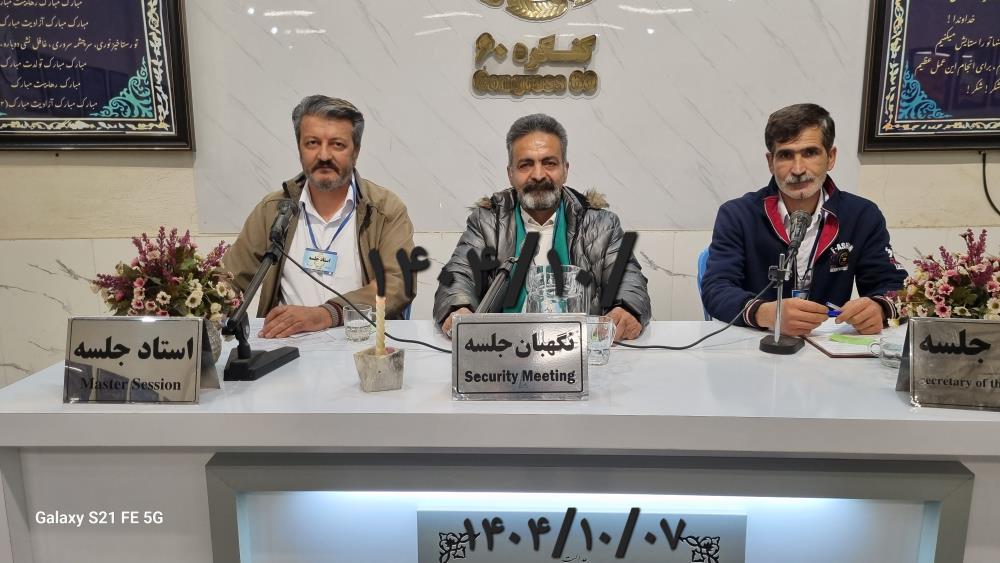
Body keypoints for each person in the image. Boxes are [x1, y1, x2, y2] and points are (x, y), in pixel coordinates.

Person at [434, 113, 650, 340]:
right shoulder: (487, 222)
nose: (538, 175)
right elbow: (458, 276)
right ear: (510, 174)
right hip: (502, 348)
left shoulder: (600, 225)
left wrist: (626, 308)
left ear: (565, 170)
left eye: (549, 163)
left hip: (581, 349)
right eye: (525, 165)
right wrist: (458, 308)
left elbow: (628, 280)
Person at [701, 103, 906, 336]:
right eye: (786, 155)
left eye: (810, 153)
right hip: (757, 342)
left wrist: (880, 307)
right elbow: (716, 288)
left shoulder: (862, 215)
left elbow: (896, 287)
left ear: (830, 157)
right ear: (770, 162)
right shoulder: (737, 214)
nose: (798, 169)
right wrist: (766, 313)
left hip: (829, 344)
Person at [224, 95, 415, 338]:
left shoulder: (385, 210)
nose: (324, 156)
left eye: (337, 144)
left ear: (355, 152)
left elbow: (397, 283)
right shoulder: (273, 210)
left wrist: (327, 314)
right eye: (312, 143)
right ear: (299, 149)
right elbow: (229, 280)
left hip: (359, 343)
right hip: (285, 346)